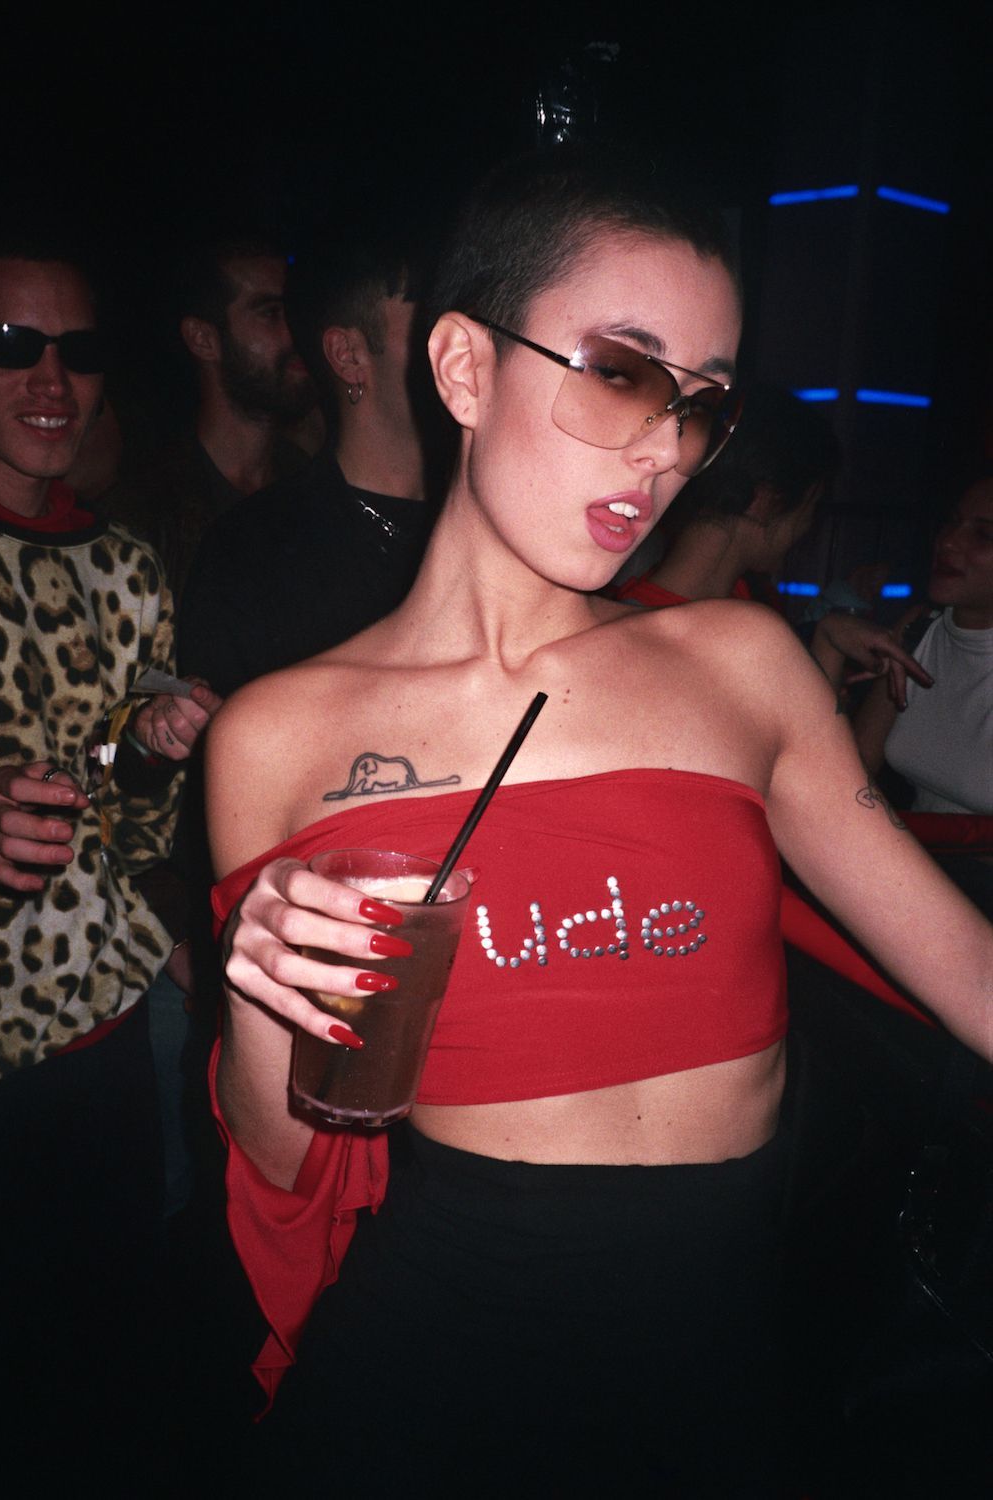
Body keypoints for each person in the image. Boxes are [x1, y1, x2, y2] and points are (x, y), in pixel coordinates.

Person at [206, 148, 993, 1494]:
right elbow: (286, 1155)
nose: (665, 447)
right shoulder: (276, 737)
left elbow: (970, 972)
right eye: (621, 372)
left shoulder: (737, 666)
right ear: (463, 368)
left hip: (723, 1359)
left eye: (701, 403)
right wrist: (269, 991)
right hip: (435, 1362)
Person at [0, 243, 219, 1472]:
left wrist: (149, 746)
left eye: (76, 351)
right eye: (12, 346)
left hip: (102, 1035)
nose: (49, 378)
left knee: (97, 1381)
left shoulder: (124, 566)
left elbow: (129, 831)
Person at [178, 225, 443, 698]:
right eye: (429, 327)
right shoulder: (252, 555)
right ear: (348, 356)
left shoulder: (490, 519)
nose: (456, 349)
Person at [614, 383, 931, 706]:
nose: (807, 526)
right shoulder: (655, 642)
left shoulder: (740, 601)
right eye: (811, 506)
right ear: (765, 500)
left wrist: (828, 637)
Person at [100, 236, 316, 605]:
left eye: (294, 311)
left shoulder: (308, 481)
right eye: (270, 313)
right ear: (203, 339)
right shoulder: (143, 512)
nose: (295, 332)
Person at [855, 475, 993, 912]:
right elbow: (855, 771)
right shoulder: (918, 629)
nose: (948, 542)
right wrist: (829, 644)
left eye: (984, 535)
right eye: (951, 522)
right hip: (914, 879)